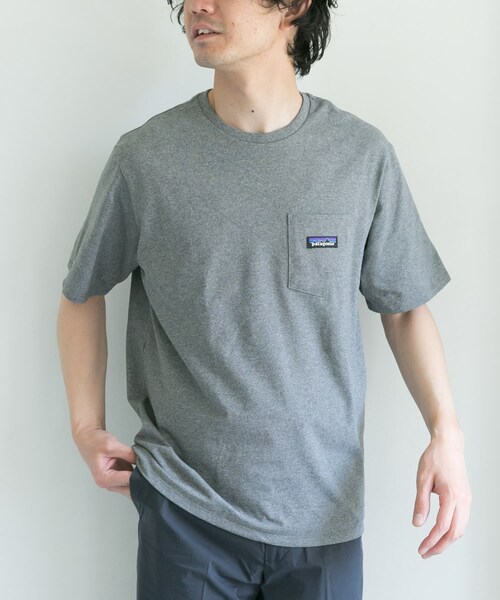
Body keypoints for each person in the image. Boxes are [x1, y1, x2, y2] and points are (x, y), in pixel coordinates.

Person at [56, 0, 472, 598]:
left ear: (293, 7)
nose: (196, 7)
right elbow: (83, 291)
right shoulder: (146, 159)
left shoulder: (360, 156)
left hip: (324, 515)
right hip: (185, 508)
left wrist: (446, 433)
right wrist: (85, 426)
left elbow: (404, 307)